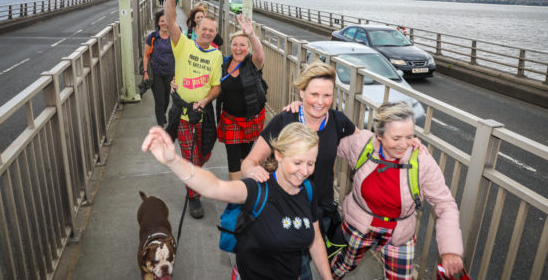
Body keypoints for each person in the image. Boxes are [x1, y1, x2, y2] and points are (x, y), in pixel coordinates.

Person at [142, 122, 333, 280]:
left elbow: (315, 239)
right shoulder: (257, 188)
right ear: (279, 155)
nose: (305, 171)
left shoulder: (308, 189)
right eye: (298, 162)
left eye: (311, 163)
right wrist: (172, 160)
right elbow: (213, 187)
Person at [241, 61, 358, 279]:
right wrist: (252, 173)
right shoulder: (285, 120)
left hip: (320, 209)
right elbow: (249, 161)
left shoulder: (338, 121)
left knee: (317, 255)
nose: (321, 102)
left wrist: (409, 145)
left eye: (327, 95)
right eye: (314, 94)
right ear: (301, 92)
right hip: (287, 208)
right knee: (299, 268)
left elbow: (368, 144)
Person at [331, 101, 464, 279]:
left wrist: (450, 250)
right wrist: (300, 113)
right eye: (396, 138)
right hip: (359, 223)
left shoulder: (422, 161)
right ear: (379, 135)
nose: (404, 144)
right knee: (342, 266)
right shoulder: (362, 144)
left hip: (399, 233)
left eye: (409, 137)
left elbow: (445, 204)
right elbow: (324, 143)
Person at [164, 0, 223, 219]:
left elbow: (216, 86)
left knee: (203, 155)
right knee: (189, 158)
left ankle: (193, 186)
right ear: (196, 27)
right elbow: (169, 20)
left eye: (212, 30)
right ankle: (194, 197)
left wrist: (207, 99)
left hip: (204, 113)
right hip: (184, 115)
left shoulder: (216, 55)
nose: (208, 32)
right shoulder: (183, 44)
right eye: (204, 28)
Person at [217, 14, 266, 180]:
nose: (238, 48)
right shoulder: (224, 64)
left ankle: (244, 185)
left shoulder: (253, 64)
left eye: (243, 45)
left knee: (244, 155)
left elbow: (260, 54)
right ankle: (236, 197)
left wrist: (251, 34)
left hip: (251, 118)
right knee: (232, 157)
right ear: (230, 46)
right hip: (230, 118)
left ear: (248, 47)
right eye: (235, 44)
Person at [142, 10, 175, 126]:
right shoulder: (152, 37)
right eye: (162, 21)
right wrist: (145, 72)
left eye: (167, 21)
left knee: (166, 99)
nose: (164, 23)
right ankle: (160, 123)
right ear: (158, 23)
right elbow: (146, 56)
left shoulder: (174, 37)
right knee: (159, 100)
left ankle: (162, 114)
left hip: (171, 73)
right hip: (156, 73)